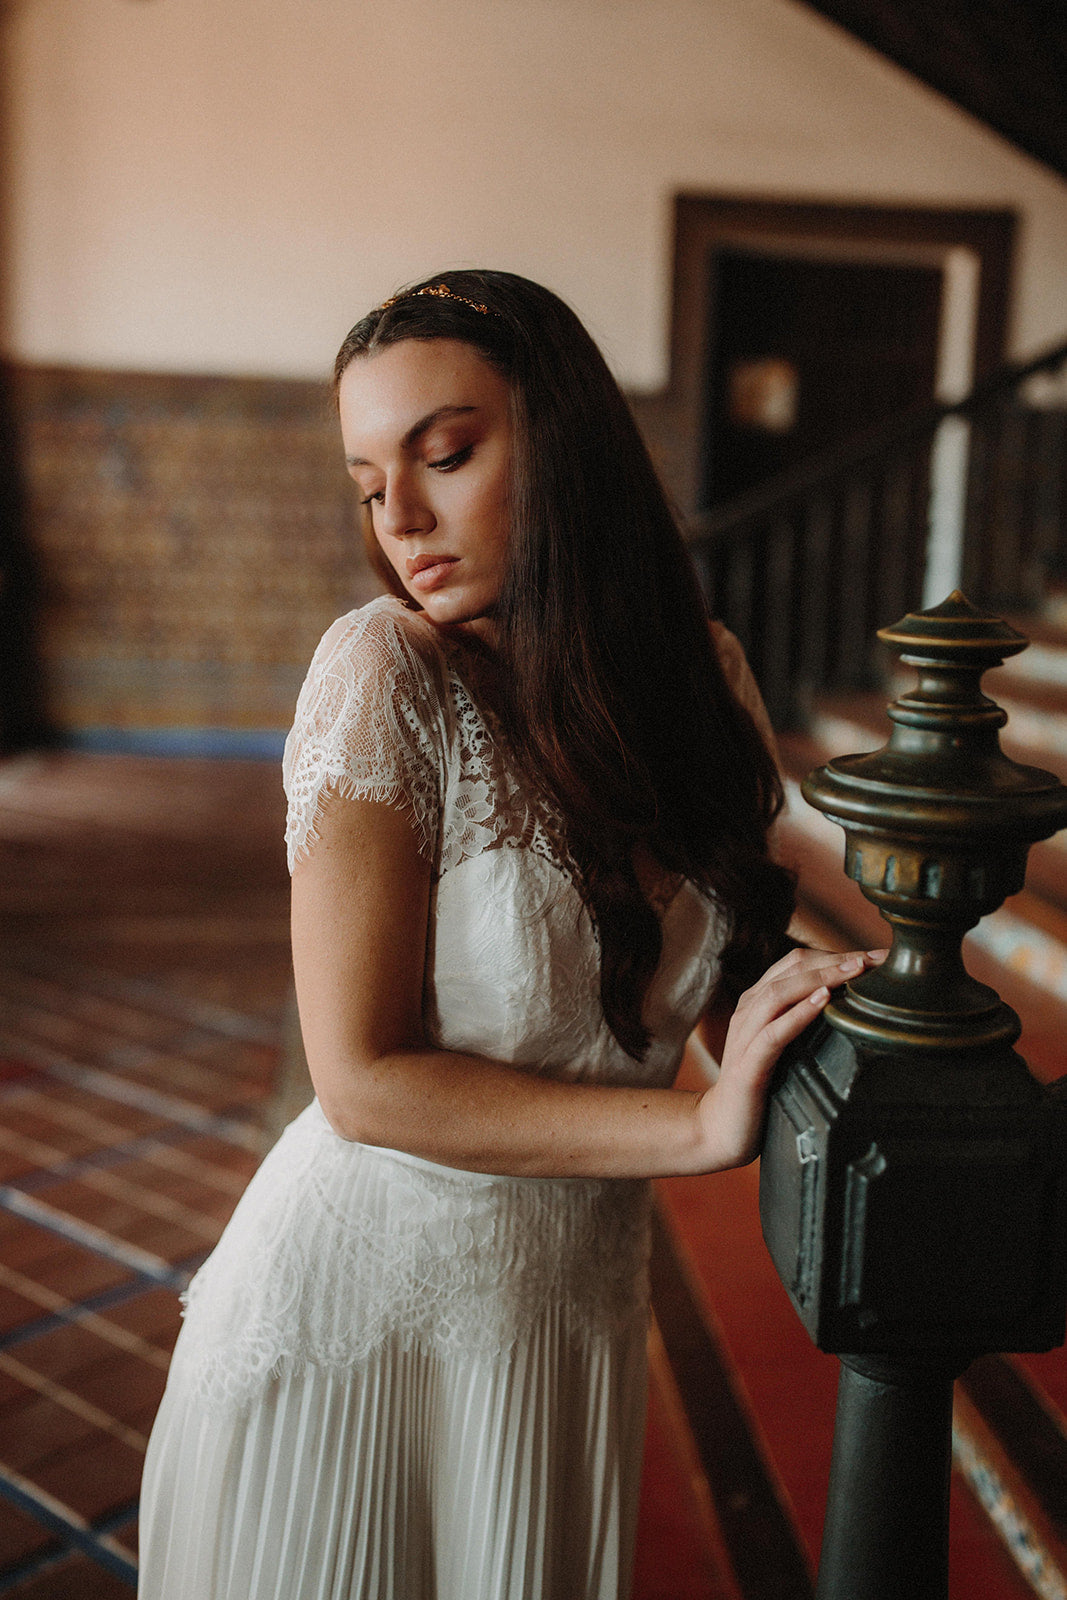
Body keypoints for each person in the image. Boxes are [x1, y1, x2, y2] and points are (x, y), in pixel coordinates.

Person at [137, 270, 881, 1600]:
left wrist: (841, 1000)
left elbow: (706, 971)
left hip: (561, 1325)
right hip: (355, 1325)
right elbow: (362, 1082)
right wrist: (696, 1131)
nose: (401, 519)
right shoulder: (386, 672)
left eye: (448, 454)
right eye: (370, 484)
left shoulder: (705, 678)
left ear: (569, 443)